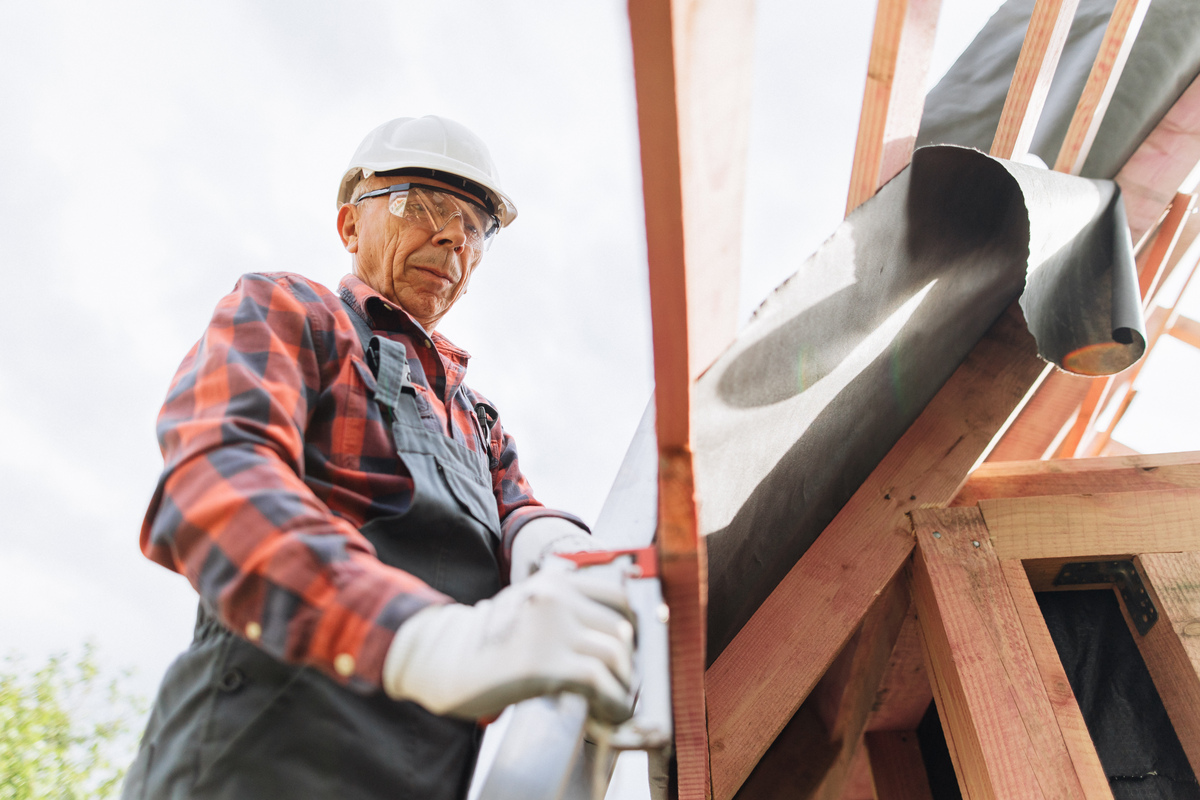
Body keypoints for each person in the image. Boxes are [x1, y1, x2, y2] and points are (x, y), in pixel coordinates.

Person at [122, 115, 635, 800]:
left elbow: (521, 513)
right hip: (247, 767)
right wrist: (425, 642)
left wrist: (561, 552)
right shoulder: (292, 313)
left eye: (475, 226)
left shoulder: (477, 421)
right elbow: (214, 484)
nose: (455, 236)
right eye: (422, 204)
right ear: (350, 225)